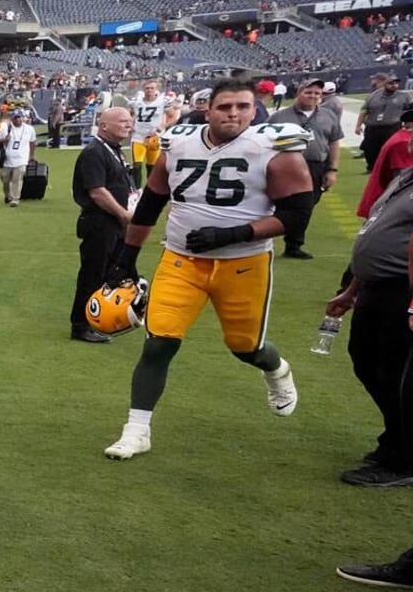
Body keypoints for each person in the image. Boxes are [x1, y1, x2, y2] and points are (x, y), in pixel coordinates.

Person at [101, 81, 308, 460]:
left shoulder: (275, 149)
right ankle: (136, 430)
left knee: (245, 347)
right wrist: (126, 257)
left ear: (254, 109)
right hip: (181, 260)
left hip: (243, 263)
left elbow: (297, 215)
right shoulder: (178, 142)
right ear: (207, 109)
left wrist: (235, 233)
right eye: (225, 106)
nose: (234, 114)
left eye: (243, 106)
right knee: (159, 341)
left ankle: (276, 370)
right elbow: (150, 203)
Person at [323, 166, 413, 487]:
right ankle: (396, 437)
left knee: (396, 372)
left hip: (402, 289)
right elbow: (377, 233)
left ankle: (401, 460)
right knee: (365, 361)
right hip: (374, 286)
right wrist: (352, 289)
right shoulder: (405, 178)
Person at [70, 107, 135, 343]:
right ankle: (81, 324)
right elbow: (97, 192)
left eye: (130, 121)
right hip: (100, 222)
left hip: (114, 222)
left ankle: (101, 319)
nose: (128, 125)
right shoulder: (94, 152)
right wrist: (123, 214)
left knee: (111, 273)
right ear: (104, 125)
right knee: (93, 274)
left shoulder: (114, 151)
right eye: (122, 121)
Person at [271, 77, 342, 261]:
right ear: (298, 93)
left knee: (307, 207)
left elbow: (334, 142)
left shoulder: (329, 115)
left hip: (316, 166)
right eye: (308, 92)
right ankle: (265, 239)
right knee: (277, 205)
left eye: (317, 93)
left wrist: (332, 170)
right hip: (285, 167)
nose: (313, 96)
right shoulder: (279, 116)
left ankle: (293, 245)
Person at [354, 75, 406, 171]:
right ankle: (372, 168)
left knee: (391, 149)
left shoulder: (403, 96)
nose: (394, 85)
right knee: (370, 150)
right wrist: (358, 125)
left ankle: (391, 168)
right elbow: (364, 111)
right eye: (391, 83)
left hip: (392, 127)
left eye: (396, 83)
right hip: (373, 127)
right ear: (384, 84)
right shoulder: (373, 96)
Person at [129, 80, 170, 189]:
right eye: (147, 88)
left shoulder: (162, 101)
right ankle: (137, 191)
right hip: (138, 136)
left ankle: (150, 191)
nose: (149, 90)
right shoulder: (136, 102)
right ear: (143, 90)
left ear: (156, 90)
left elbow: (174, 115)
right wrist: (130, 124)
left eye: (152, 88)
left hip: (154, 137)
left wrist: (164, 125)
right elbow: (130, 114)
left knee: (152, 167)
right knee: (137, 166)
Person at [0, 108, 36, 207]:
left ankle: (15, 198)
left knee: (17, 179)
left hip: (21, 158)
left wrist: (31, 156)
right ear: (12, 119)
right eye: (15, 118)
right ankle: (8, 195)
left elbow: (32, 142)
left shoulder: (29, 129)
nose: (18, 120)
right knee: (5, 179)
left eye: (19, 117)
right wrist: (4, 139)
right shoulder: (6, 127)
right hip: (7, 159)